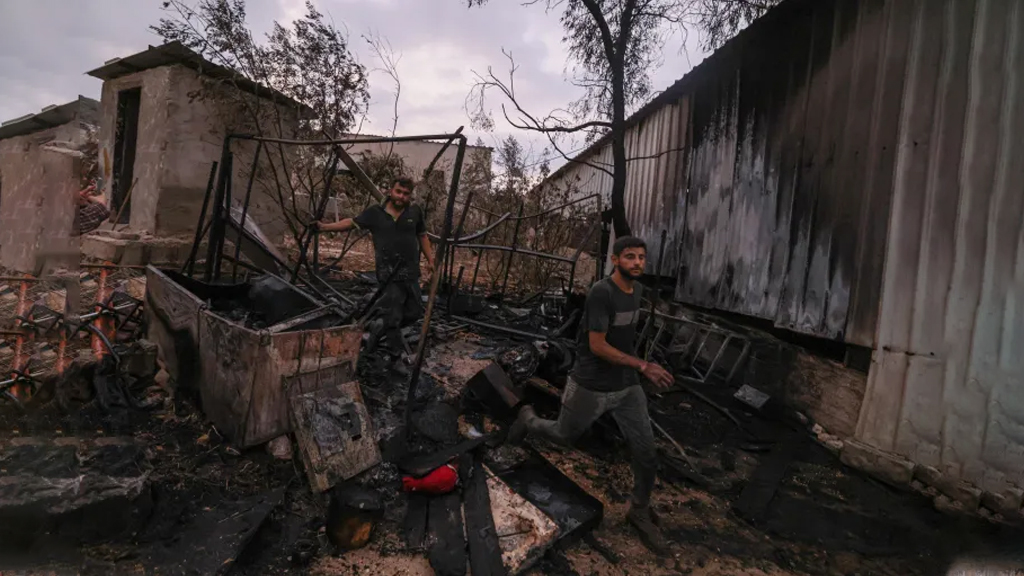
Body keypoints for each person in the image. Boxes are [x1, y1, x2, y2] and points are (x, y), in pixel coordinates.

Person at [506, 236, 675, 554]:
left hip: (627, 386)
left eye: (641, 257)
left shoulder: (638, 291)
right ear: (615, 260)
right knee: (563, 435)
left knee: (647, 453)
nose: (637, 263)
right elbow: (597, 346)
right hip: (590, 384)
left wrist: (641, 370)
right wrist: (643, 365)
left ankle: (638, 510)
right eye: (630, 257)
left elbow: (625, 339)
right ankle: (527, 419)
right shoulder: (601, 292)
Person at [317, 176, 435, 361]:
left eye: (406, 194)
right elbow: (350, 223)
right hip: (388, 273)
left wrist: (430, 260)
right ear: (391, 191)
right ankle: (395, 358)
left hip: (410, 271)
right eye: (398, 191)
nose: (401, 196)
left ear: (410, 195)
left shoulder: (415, 211)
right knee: (394, 316)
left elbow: (422, 235)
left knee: (415, 312)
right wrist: (324, 227)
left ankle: (379, 326)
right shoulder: (375, 213)